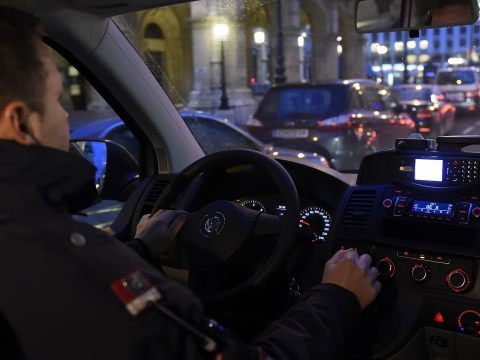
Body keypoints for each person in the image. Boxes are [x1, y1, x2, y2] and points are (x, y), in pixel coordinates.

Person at [0, 6, 381, 360]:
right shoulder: (66, 261)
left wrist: (141, 251)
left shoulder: (40, 251)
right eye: (56, 101)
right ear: (19, 122)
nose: (66, 118)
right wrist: (338, 297)